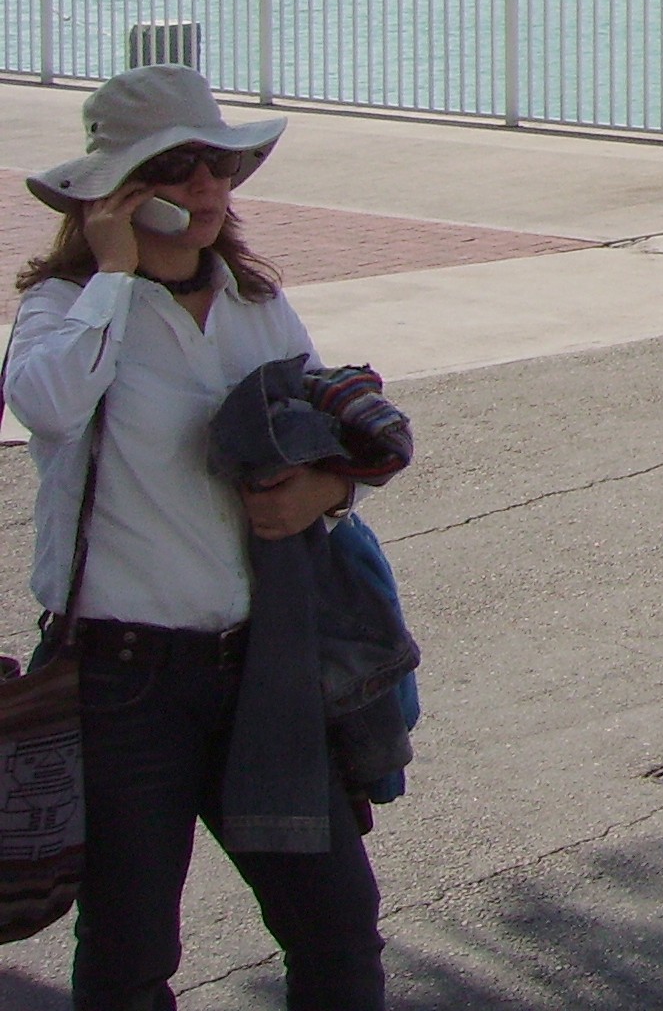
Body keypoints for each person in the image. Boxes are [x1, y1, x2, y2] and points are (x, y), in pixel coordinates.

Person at [7, 65, 392, 1009]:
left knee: (337, 927)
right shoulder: (65, 311)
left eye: (220, 165)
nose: (210, 190)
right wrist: (113, 274)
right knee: (132, 950)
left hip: (261, 665)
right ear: (115, 192)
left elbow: (318, 431)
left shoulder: (256, 305)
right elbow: (47, 406)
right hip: (121, 677)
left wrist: (325, 488)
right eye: (178, 170)